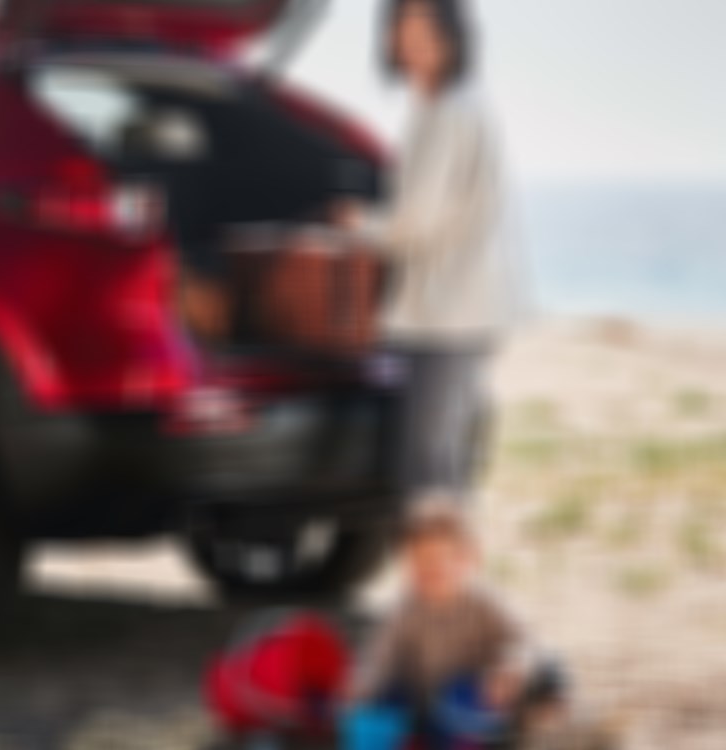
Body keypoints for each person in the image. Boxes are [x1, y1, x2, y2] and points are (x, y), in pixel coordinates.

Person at [337, 0, 526, 495]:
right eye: (403, 32)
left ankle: (440, 573)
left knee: (427, 468)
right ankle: (443, 571)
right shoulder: (453, 105)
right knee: (443, 461)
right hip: (460, 308)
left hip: (446, 313)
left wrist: (359, 225)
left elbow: (416, 221)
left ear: (455, 38)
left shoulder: (450, 111)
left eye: (427, 33)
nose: (413, 45)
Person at [345, 496, 565, 748]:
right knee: (376, 708)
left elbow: (527, 641)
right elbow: (381, 655)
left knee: (550, 667)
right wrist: (362, 686)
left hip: (471, 708)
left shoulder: (484, 603)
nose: (426, 572)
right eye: (416, 563)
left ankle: (540, 718)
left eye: (436, 562)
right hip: (420, 704)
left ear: (467, 560)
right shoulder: (405, 608)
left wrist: (510, 670)